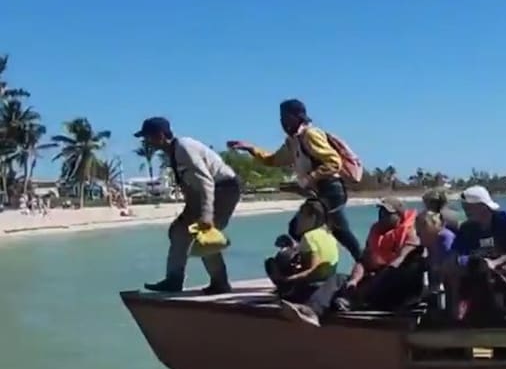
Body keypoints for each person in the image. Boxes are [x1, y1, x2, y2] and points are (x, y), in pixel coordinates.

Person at [227, 99, 363, 262]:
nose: (282, 123)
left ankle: (351, 264)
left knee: (329, 231)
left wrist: (309, 178)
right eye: (280, 118)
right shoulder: (293, 141)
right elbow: (273, 160)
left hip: (331, 190)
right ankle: (326, 263)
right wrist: (250, 148)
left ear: (298, 117)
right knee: (335, 232)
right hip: (320, 191)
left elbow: (334, 162)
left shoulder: (310, 135)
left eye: (285, 117)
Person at [137, 117, 241, 294]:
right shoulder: (174, 152)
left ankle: (217, 283)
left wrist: (206, 215)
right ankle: (176, 280)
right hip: (208, 193)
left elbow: (206, 181)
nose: (146, 142)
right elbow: (192, 185)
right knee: (179, 231)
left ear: (160, 135)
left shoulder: (184, 148)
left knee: (204, 236)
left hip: (224, 189)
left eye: (148, 137)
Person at [446, 185, 506, 320]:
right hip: (478, 272)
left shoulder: (505, 220)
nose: (465, 210)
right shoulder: (467, 228)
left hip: (505, 270)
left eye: (468, 207)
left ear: (483, 206)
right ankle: (457, 314)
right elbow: (455, 255)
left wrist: (497, 262)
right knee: (452, 270)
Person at [272, 199, 345, 326]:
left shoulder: (308, 237)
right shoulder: (329, 234)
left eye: (301, 215)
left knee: (273, 263)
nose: (298, 219)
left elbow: (312, 268)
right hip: (327, 283)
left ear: (312, 217)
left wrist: (288, 279)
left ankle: (287, 296)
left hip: (312, 285)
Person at [342, 197, 423, 311]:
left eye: (387, 213)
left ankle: (358, 301)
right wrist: (354, 280)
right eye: (381, 211)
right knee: (339, 279)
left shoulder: (411, 233)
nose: (382, 215)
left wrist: (376, 279)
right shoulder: (375, 231)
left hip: (399, 280)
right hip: (379, 275)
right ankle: (315, 310)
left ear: (399, 216)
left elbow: (399, 261)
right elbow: (364, 261)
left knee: (387, 276)